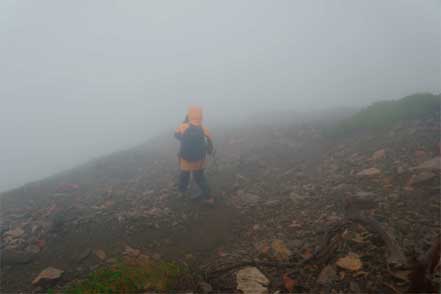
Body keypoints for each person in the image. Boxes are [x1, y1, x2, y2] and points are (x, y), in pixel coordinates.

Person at [174, 106, 214, 202]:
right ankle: (208, 198)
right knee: (200, 178)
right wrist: (208, 150)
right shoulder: (204, 129)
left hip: (185, 158)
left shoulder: (183, 127)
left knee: (184, 175)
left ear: (189, 115)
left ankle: (181, 192)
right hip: (199, 159)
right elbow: (210, 146)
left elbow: (176, 135)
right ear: (200, 116)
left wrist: (184, 123)